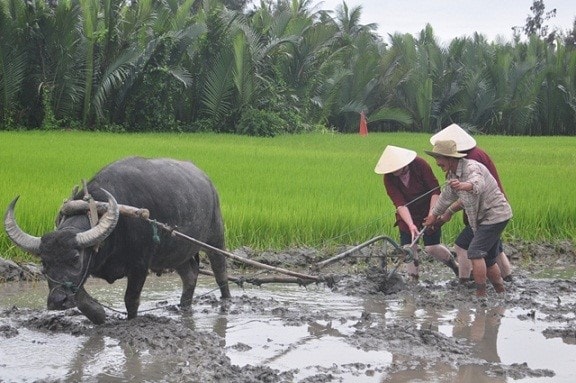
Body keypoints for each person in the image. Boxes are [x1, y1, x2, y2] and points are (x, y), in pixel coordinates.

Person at [424, 140, 512, 297]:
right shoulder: (452, 174)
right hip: (484, 218)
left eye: (439, 158)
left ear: (450, 158)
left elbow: (478, 183)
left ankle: (481, 295)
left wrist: (465, 185)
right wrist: (433, 216)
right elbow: (445, 198)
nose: (437, 162)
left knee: (474, 252)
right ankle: (501, 292)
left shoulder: (471, 167)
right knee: (490, 258)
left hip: (495, 215)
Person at [374, 145, 459, 281]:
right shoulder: (389, 178)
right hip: (407, 214)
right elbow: (400, 204)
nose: (393, 170)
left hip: (430, 208)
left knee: (431, 247)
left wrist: (433, 214)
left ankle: (455, 266)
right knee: (408, 248)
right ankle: (413, 279)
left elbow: (435, 191)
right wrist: (411, 224)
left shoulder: (419, 164)